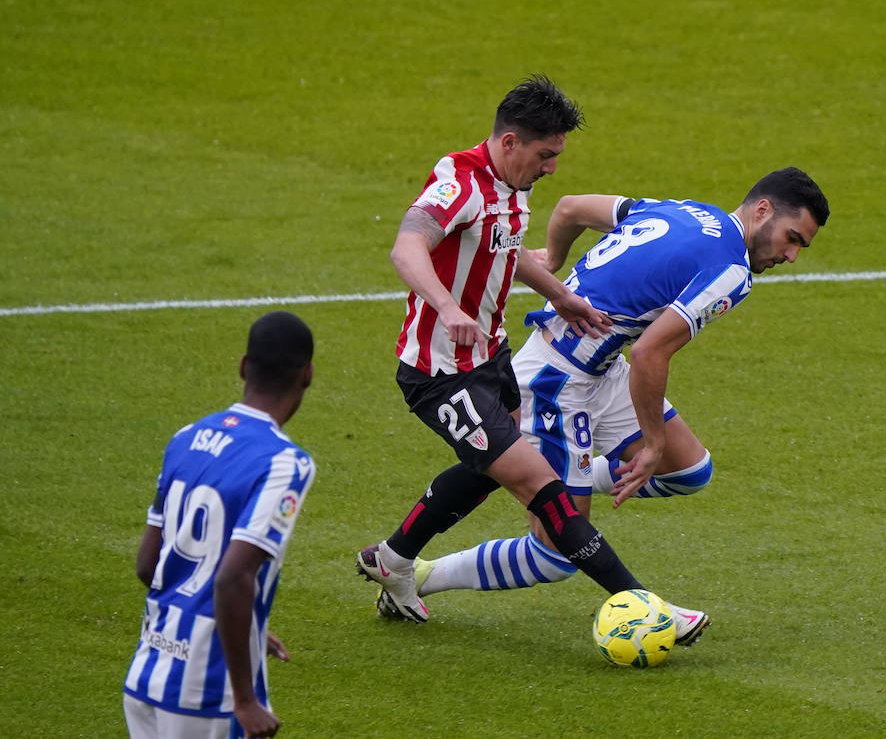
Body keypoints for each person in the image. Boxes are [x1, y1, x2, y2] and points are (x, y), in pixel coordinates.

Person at [355, 75, 708, 643]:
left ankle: (393, 560)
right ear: (511, 141)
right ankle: (643, 603)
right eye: (545, 155)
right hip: (440, 374)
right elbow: (407, 245)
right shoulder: (459, 181)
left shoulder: (511, 187)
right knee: (542, 488)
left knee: (486, 472)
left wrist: (560, 296)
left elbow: (504, 250)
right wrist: (446, 307)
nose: (551, 169)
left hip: (490, 360)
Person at [386, 168, 828, 619]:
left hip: (599, 366)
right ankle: (423, 575)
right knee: (556, 554)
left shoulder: (683, 210)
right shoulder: (732, 271)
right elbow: (650, 353)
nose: (791, 255)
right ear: (762, 210)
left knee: (689, 470)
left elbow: (571, 207)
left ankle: (552, 480)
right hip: (555, 381)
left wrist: (553, 259)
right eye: (792, 238)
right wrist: (652, 443)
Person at [123, 311, 317, 739]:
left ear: (244, 366)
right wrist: (244, 700)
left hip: (147, 675)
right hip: (209, 695)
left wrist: (245, 628)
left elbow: (147, 565)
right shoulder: (286, 463)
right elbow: (232, 576)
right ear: (307, 375)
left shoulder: (187, 436)